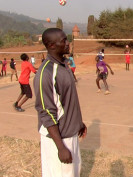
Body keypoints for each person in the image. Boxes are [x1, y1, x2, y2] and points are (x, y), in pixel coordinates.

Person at [33, 28, 87, 177]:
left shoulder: (64, 65)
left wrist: (78, 123)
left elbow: (67, 101)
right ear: (51, 45)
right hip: (58, 139)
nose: (68, 43)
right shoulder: (46, 74)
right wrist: (60, 147)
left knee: (74, 173)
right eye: (63, 40)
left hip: (70, 134)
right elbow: (46, 112)